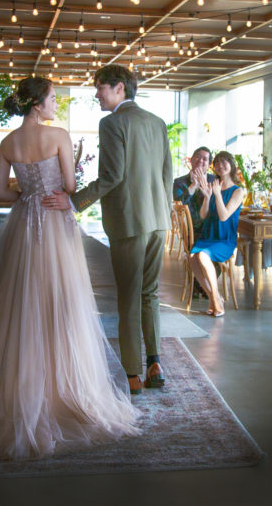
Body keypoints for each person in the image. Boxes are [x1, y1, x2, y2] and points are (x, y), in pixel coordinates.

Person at [0, 78, 139, 459]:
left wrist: (25, 193)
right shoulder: (59, 136)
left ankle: (14, 389)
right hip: (54, 223)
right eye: (51, 99)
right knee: (60, 301)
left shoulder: (8, 143)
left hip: (22, 222)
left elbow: (1, 193)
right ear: (36, 104)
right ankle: (60, 386)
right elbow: (69, 186)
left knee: (17, 302)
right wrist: (52, 192)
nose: (55, 105)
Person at [43, 64, 173, 395]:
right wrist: (164, 212)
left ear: (119, 88)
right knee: (150, 293)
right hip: (159, 221)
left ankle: (132, 374)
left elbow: (112, 176)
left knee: (128, 297)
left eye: (100, 88)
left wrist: (74, 202)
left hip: (129, 222)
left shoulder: (112, 123)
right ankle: (155, 363)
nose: (96, 95)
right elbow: (167, 175)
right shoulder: (157, 122)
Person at [188, 151, 245, 317]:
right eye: (217, 163)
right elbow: (203, 215)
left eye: (224, 162)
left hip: (224, 240)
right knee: (191, 258)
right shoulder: (213, 186)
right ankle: (215, 297)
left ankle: (215, 301)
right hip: (209, 236)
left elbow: (224, 216)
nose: (220, 166)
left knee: (202, 256)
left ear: (231, 165)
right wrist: (207, 197)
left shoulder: (238, 191)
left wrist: (218, 194)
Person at [172, 146, 215, 237]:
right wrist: (193, 185)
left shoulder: (214, 181)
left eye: (204, 159)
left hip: (212, 229)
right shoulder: (179, 182)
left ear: (209, 165)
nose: (200, 160)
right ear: (191, 160)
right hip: (189, 232)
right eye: (198, 157)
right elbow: (179, 205)